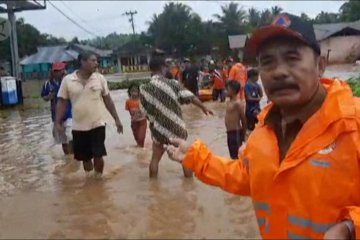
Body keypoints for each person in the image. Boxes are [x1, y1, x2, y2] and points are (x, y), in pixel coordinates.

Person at [165, 13, 360, 239]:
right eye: (268, 62)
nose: (279, 72)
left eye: (292, 58)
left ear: (320, 65)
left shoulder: (353, 124)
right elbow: (248, 178)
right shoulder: (263, 128)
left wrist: (351, 227)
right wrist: (198, 159)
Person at [139, 55, 213, 178]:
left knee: (155, 159)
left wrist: (156, 122)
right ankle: (189, 186)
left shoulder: (145, 88)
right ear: (163, 68)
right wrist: (203, 107)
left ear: (151, 69)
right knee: (185, 158)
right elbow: (190, 97)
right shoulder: (172, 83)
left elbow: (144, 112)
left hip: (159, 129)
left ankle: (153, 185)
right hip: (176, 127)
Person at [56, 51, 123, 178]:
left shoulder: (100, 79)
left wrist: (117, 119)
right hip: (79, 126)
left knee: (98, 154)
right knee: (85, 158)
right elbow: (62, 102)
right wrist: (57, 123)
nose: (96, 64)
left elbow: (108, 100)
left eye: (97, 61)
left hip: (97, 123)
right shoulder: (68, 80)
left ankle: (98, 179)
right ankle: (90, 179)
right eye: (93, 60)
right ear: (83, 62)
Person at [41, 62, 72, 156]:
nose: (60, 72)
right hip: (56, 116)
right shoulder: (48, 84)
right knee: (63, 140)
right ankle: (68, 159)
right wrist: (49, 96)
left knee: (71, 136)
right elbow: (44, 97)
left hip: (70, 114)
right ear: (53, 72)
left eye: (61, 70)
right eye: (57, 71)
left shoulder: (69, 81)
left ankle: (74, 157)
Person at [225, 80, 247, 159]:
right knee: (232, 155)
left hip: (236, 132)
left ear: (233, 90)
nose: (225, 91)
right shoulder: (228, 102)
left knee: (238, 156)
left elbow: (243, 120)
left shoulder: (238, 103)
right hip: (229, 132)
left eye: (227, 89)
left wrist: (243, 135)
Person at [125, 83, 147, 148]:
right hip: (134, 123)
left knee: (141, 138)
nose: (134, 93)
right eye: (132, 91)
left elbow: (146, 111)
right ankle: (139, 154)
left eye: (135, 91)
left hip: (142, 122)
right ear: (129, 92)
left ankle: (141, 154)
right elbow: (130, 112)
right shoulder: (128, 102)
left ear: (138, 92)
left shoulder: (142, 100)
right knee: (137, 140)